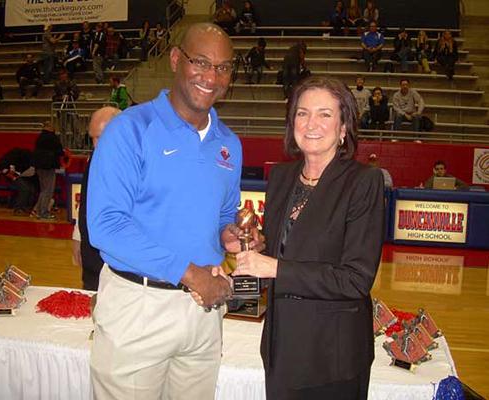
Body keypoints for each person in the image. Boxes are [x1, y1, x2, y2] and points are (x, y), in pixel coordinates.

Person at [87, 23, 261, 399]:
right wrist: (189, 273)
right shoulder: (129, 130)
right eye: (201, 62)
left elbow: (220, 216)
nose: (211, 77)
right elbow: (106, 226)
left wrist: (227, 234)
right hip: (138, 307)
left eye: (224, 67)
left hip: (202, 311)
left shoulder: (229, 143)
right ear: (176, 59)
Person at [234, 76, 384, 399]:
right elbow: (282, 249)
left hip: (333, 359)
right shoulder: (281, 177)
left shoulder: (363, 182)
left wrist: (274, 267)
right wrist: (252, 245)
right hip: (281, 349)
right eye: (302, 113)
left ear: (343, 127)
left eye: (324, 114)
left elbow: (355, 280)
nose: (311, 123)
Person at [72, 106, 120, 289]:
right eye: (92, 137)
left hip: (119, 260)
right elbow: (85, 200)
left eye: (100, 137)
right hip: (91, 253)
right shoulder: (94, 158)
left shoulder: (140, 162)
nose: (95, 144)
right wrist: (78, 236)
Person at [31, 122, 64, 220]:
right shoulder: (52, 138)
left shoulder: (40, 137)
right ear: (50, 128)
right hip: (48, 166)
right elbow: (59, 151)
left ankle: (38, 211)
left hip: (39, 166)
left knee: (43, 190)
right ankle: (44, 212)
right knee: (48, 190)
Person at [0, 147, 37, 215]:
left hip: (14, 172)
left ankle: (24, 208)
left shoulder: (21, 156)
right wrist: (14, 176)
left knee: (29, 188)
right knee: (25, 188)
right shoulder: (26, 157)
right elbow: (8, 170)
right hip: (11, 171)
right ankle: (19, 208)